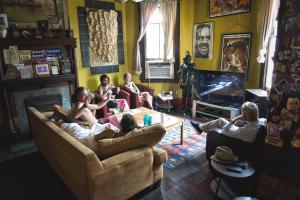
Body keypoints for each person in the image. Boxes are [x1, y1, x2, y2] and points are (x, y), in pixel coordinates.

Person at [65, 86, 120, 151]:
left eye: (86, 94)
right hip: (95, 125)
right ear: (78, 96)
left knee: (115, 120)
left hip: (98, 123)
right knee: (115, 122)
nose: (86, 96)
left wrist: (107, 99)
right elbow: (75, 116)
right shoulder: (78, 104)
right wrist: (85, 105)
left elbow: (98, 106)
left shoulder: (83, 104)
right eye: (84, 95)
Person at [191, 102, 265, 143]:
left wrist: (234, 120)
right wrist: (244, 123)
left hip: (233, 137)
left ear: (244, 116)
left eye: (242, 113)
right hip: (240, 131)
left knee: (221, 122)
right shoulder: (261, 121)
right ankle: (200, 128)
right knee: (221, 120)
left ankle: (200, 128)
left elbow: (225, 130)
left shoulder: (245, 131)